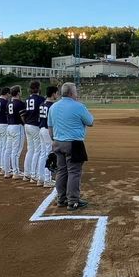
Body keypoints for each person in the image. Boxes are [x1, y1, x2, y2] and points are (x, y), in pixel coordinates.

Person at [48, 82, 93, 210]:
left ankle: (61, 199)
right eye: (76, 92)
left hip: (57, 142)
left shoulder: (53, 107)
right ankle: (73, 201)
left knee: (61, 171)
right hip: (74, 143)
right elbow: (90, 122)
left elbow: (50, 127)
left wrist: (55, 139)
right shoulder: (78, 106)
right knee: (74, 172)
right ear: (72, 93)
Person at [22, 81, 45, 183]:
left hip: (27, 125)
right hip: (35, 125)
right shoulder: (40, 99)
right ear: (38, 88)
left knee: (30, 149)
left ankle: (27, 174)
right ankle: (34, 175)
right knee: (37, 150)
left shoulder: (27, 99)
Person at [37, 85, 59, 187]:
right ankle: (47, 179)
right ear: (53, 93)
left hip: (41, 129)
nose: (57, 95)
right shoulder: (52, 106)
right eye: (56, 93)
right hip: (47, 130)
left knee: (43, 154)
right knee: (49, 155)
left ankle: (40, 178)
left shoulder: (42, 103)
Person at [5, 85, 27, 179]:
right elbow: (23, 117)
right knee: (16, 152)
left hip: (9, 126)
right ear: (18, 93)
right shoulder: (20, 103)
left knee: (8, 150)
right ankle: (16, 172)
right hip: (17, 127)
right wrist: (25, 123)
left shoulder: (8, 102)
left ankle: (7, 171)